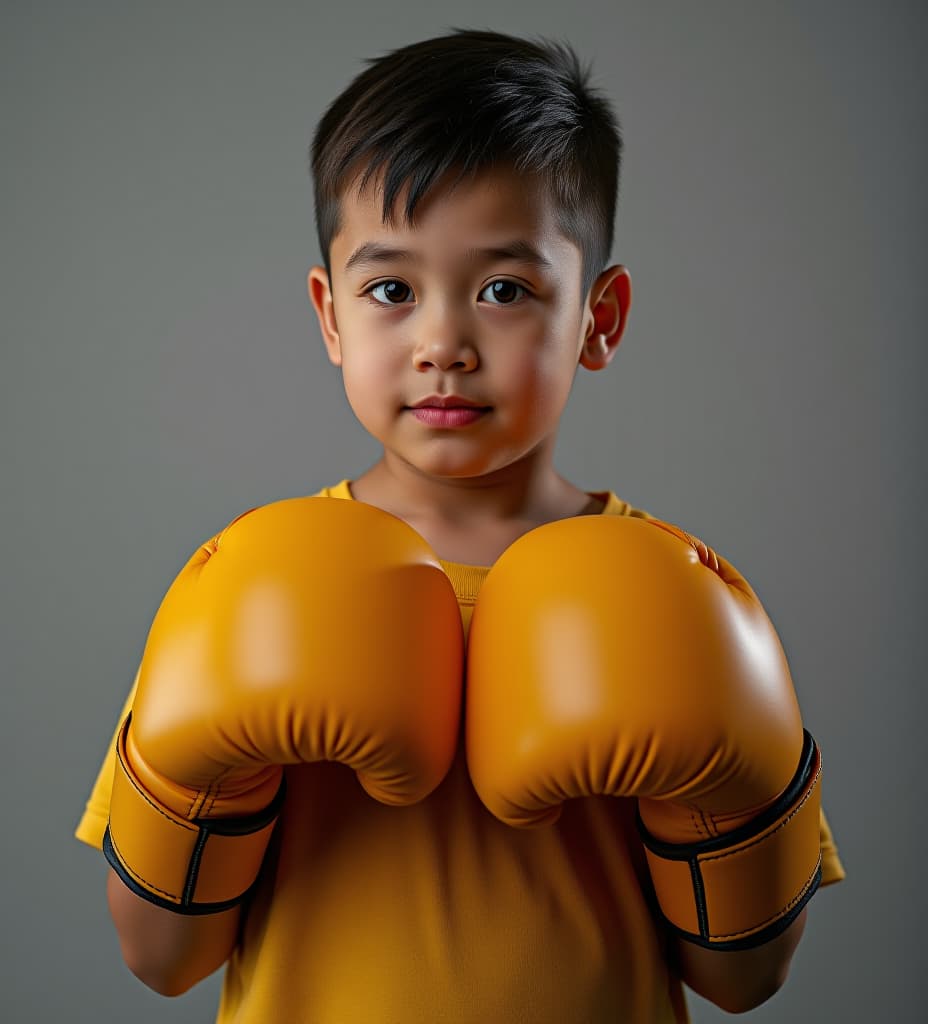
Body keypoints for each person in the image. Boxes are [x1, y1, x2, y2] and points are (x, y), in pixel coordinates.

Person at [75, 28, 845, 1023]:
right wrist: (203, 775)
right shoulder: (246, 582)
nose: (443, 344)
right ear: (330, 316)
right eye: (390, 290)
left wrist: (722, 778)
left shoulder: (683, 594)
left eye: (505, 291)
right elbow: (159, 956)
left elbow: (745, 977)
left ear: (598, 319)